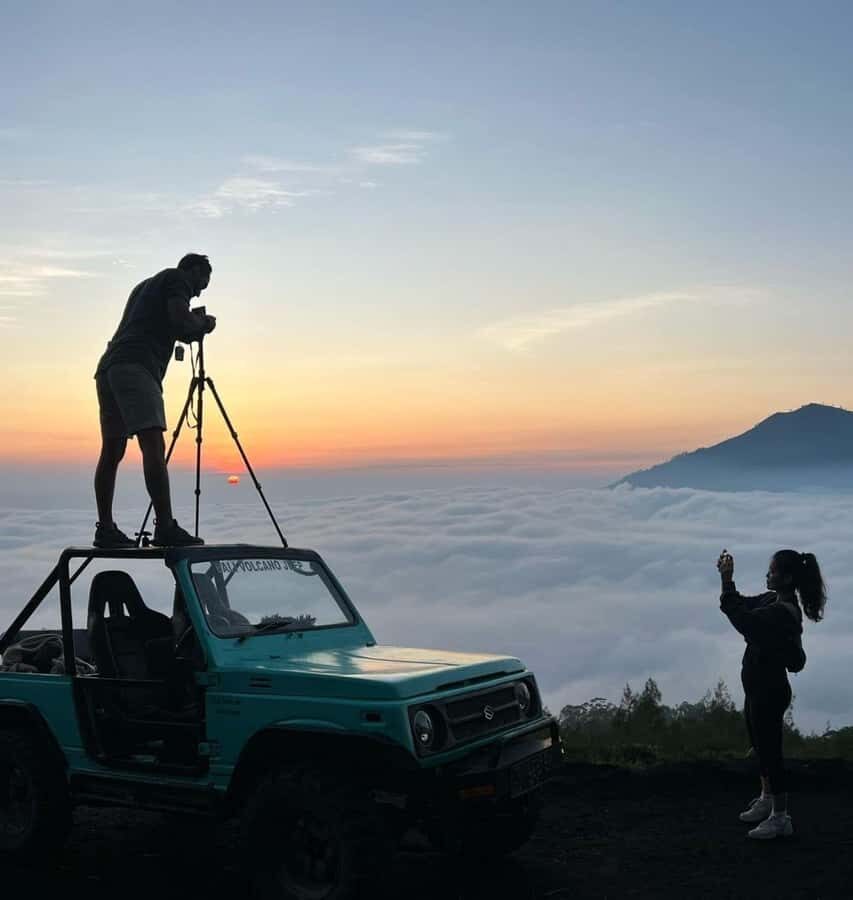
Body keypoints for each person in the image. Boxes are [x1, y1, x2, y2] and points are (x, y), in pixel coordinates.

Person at [93, 253, 217, 548]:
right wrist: (203, 324)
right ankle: (165, 526)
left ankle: (105, 529)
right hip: (137, 367)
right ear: (193, 270)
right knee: (153, 445)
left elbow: (164, 324)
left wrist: (188, 326)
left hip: (110, 368)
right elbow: (179, 318)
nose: (199, 291)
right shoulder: (176, 279)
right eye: (202, 282)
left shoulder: (145, 287)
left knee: (112, 451)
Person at [717, 548, 826, 840]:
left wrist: (727, 581)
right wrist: (730, 589)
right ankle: (766, 798)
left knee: (771, 753)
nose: (768, 574)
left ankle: (780, 817)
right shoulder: (771, 600)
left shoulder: (782, 612)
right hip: (757, 689)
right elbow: (742, 606)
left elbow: (741, 617)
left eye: (773, 571)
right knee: (761, 748)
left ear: (787, 578)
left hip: (770, 691)